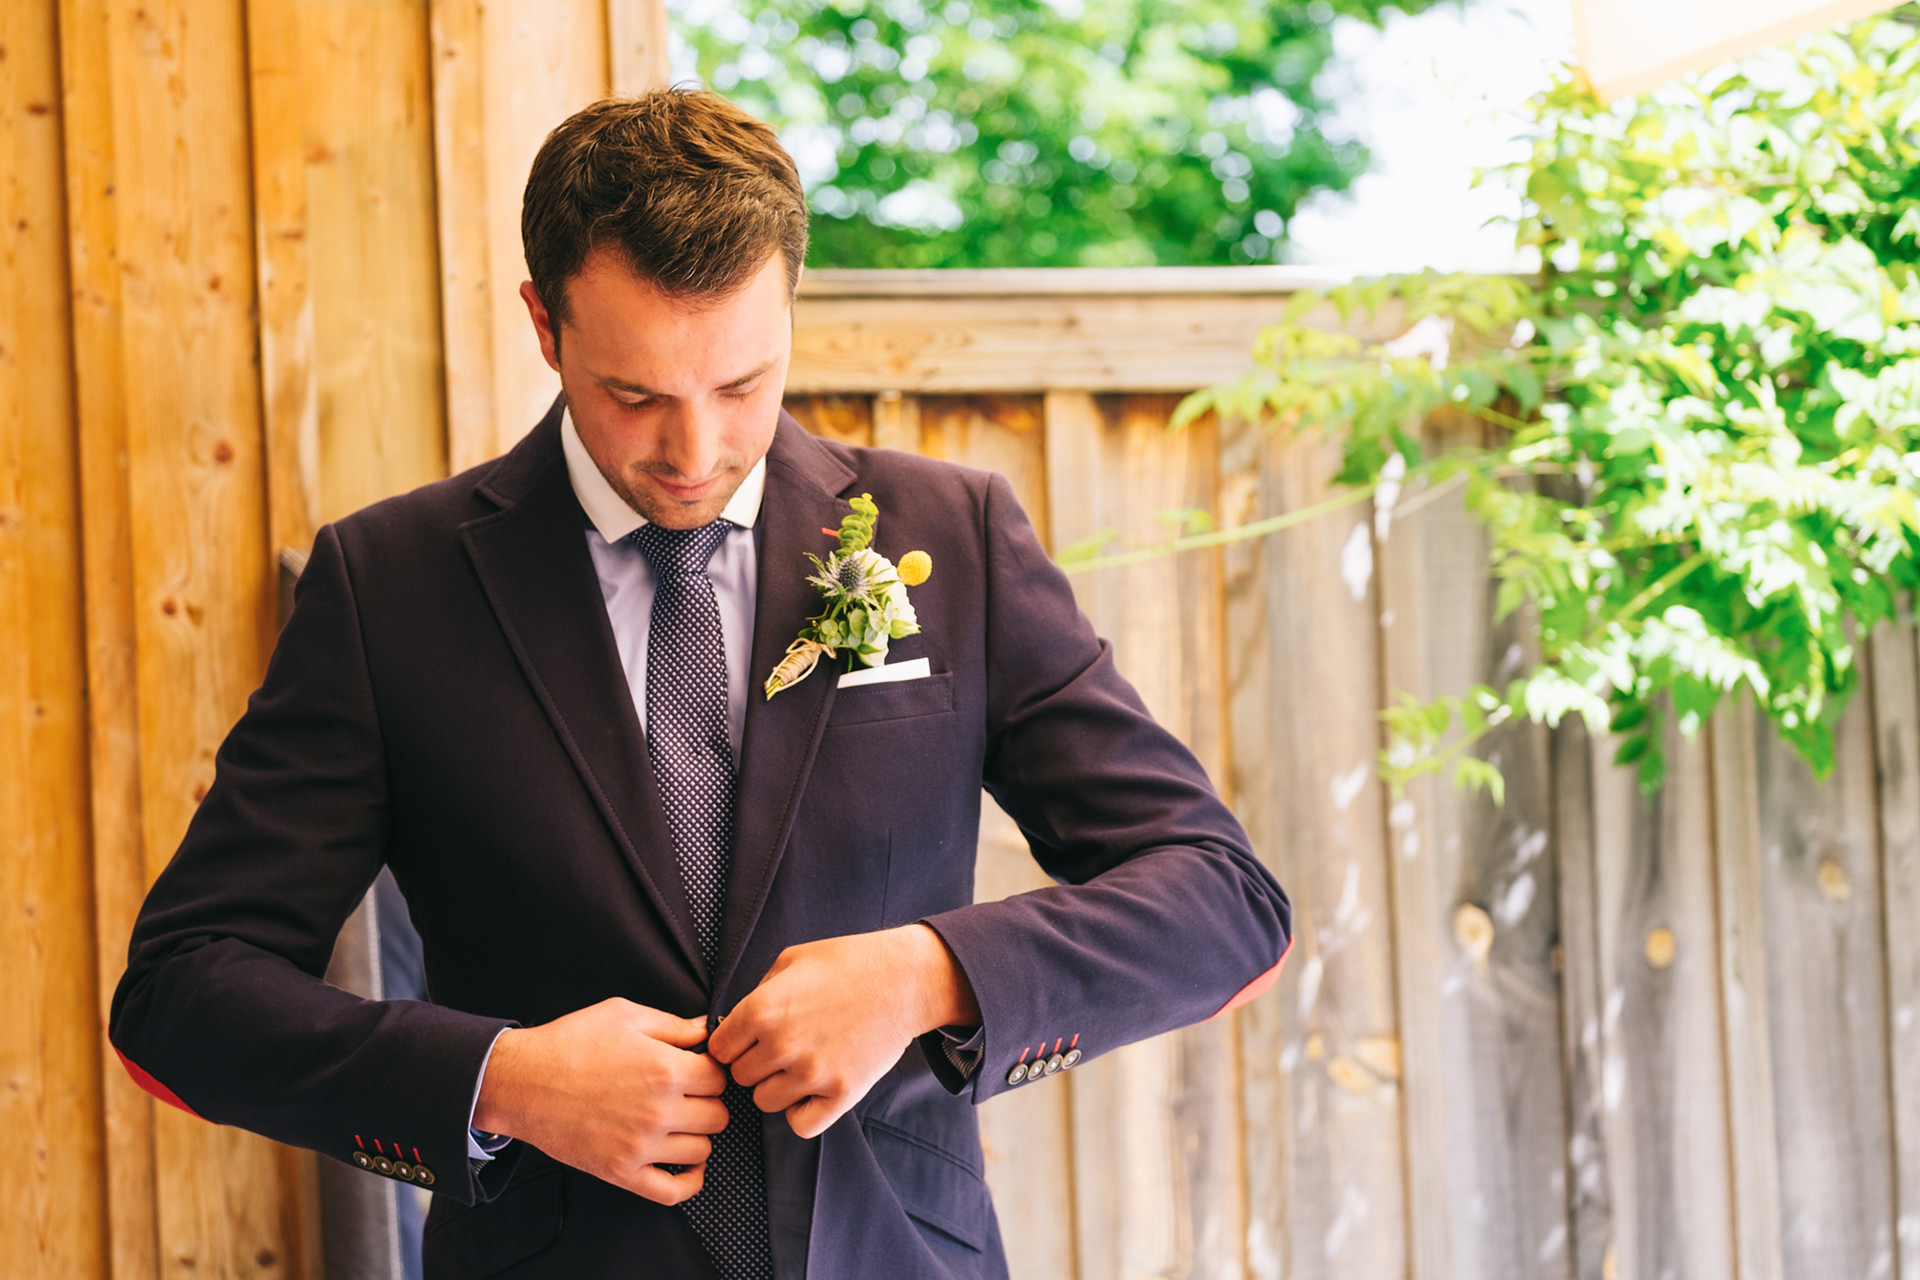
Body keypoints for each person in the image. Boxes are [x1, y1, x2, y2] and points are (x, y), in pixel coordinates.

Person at [108, 88, 1292, 1280]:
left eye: (742, 385)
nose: (695, 451)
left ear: (789, 307)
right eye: (635, 395)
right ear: (544, 324)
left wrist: (925, 973)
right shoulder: (389, 587)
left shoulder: (955, 535)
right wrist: (501, 1080)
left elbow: (1224, 901)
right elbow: (179, 993)